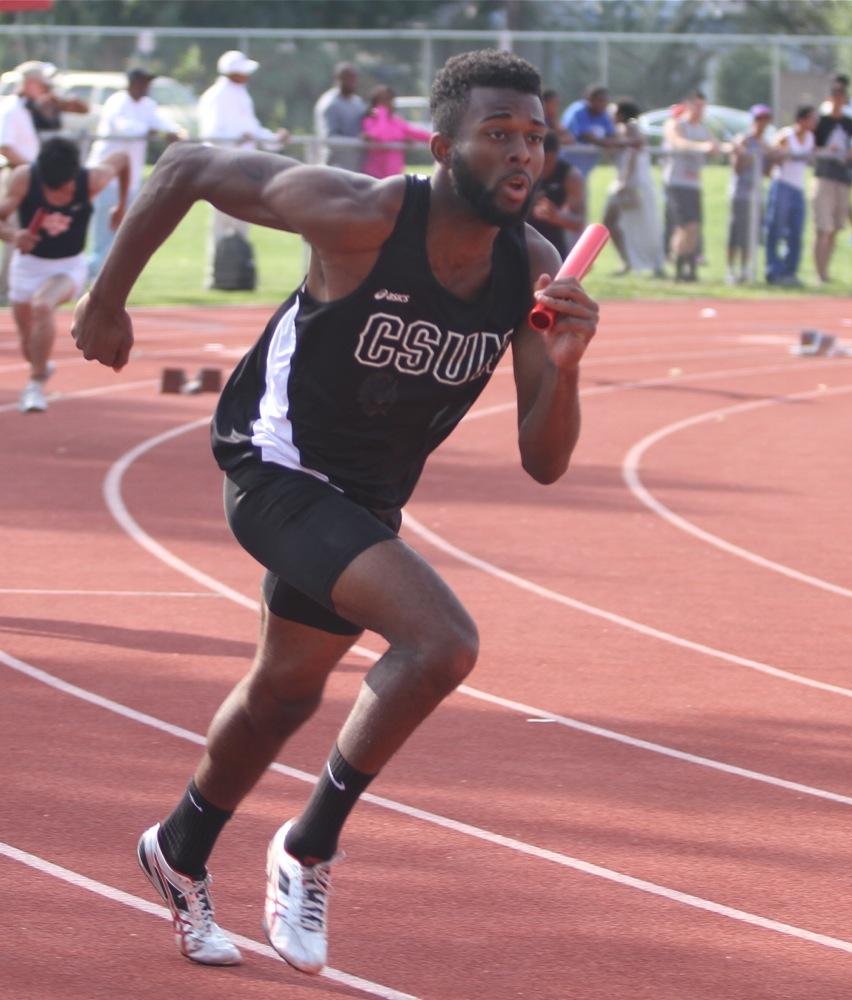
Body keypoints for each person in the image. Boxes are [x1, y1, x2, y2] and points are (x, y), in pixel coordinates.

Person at [70, 48, 598, 976]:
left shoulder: (532, 266)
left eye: (534, 136)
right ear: (442, 148)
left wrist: (565, 370)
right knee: (441, 643)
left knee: (283, 693)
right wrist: (106, 298)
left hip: (366, 498)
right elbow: (186, 165)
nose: (523, 153)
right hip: (273, 464)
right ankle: (310, 845)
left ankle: (177, 851)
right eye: (498, 134)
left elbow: (544, 462)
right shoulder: (361, 215)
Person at [0, 136, 128, 412]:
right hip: (27, 265)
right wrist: (14, 235)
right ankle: (40, 367)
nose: (63, 193)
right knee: (28, 344)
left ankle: (34, 386)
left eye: (67, 185)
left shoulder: (92, 179)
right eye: (54, 188)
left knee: (42, 306)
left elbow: (123, 159)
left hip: (67, 266)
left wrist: (121, 205)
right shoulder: (24, 178)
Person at [197, 50, 288, 288]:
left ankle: (239, 274)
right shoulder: (216, 96)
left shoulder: (241, 94)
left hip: (244, 169)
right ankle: (216, 276)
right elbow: (211, 133)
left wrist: (274, 139)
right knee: (220, 222)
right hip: (222, 169)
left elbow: (252, 129)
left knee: (243, 220)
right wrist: (237, 138)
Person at [86, 67, 186, 278]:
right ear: (132, 84)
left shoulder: (147, 105)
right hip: (107, 178)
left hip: (130, 179)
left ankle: (109, 275)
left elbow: (163, 123)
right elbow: (126, 128)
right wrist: (152, 130)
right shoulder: (117, 102)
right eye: (142, 83)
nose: (145, 87)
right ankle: (95, 274)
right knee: (104, 230)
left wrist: (174, 132)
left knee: (123, 230)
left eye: (147, 83)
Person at [0, 61, 51, 302]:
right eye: (42, 85)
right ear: (30, 83)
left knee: (22, 232)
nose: (45, 90)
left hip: (23, 177)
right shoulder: (11, 108)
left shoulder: (24, 109)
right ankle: (7, 291)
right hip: (15, 177)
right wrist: (34, 171)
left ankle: (13, 288)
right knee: (13, 233)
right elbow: (5, 146)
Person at [811, 82, 852, 285]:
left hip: (842, 179)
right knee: (822, 227)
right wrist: (827, 150)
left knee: (835, 227)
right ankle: (819, 274)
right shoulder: (822, 122)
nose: (838, 98)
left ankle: (825, 272)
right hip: (824, 177)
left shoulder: (849, 122)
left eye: (842, 95)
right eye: (835, 94)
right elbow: (811, 146)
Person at [661, 91, 720, 282]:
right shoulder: (676, 124)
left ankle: (690, 267)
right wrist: (701, 147)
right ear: (688, 105)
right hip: (677, 182)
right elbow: (677, 141)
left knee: (694, 226)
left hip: (693, 183)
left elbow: (715, 146)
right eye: (697, 106)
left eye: (703, 107)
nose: (700, 110)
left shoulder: (702, 129)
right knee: (683, 226)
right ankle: (679, 267)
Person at [602, 100, 664, 277]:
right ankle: (629, 261)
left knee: (638, 223)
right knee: (614, 222)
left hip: (631, 183)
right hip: (627, 181)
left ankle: (644, 262)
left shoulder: (630, 127)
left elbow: (634, 150)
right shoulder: (623, 130)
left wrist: (625, 180)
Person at [764, 104, 817, 287]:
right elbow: (771, 153)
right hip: (782, 185)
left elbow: (813, 156)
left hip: (797, 187)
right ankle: (773, 270)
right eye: (811, 118)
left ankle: (789, 271)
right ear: (802, 120)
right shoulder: (786, 135)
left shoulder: (810, 137)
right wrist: (781, 153)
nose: (814, 122)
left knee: (795, 231)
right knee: (776, 229)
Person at [820, 74, 852, 243]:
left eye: (840, 89)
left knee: (844, 194)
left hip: (849, 160)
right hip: (828, 162)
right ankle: (841, 229)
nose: (838, 92)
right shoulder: (825, 107)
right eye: (834, 89)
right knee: (832, 197)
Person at [725, 103, 772, 285]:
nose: (762, 123)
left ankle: (745, 269)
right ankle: (730, 269)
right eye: (759, 119)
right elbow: (737, 168)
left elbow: (767, 172)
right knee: (736, 233)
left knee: (750, 234)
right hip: (740, 194)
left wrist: (770, 156)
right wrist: (750, 156)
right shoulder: (743, 140)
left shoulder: (764, 143)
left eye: (766, 119)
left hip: (756, 194)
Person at [527, 130, 585, 256]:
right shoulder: (519, 171)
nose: (545, 166)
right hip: (520, 239)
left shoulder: (570, 176)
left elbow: (579, 222)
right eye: (542, 160)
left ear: (557, 155)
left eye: (549, 161)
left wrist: (556, 216)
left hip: (552, 243)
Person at [360, 84, 431, 179]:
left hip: (394, 176)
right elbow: (381, 136)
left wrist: (436, 138)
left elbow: (416, 133)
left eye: (389, 99)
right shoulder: (369, 121)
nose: (387, 103)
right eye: (382, 100)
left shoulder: (397, 122)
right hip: (374, 176)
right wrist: (382, 113)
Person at [559, 84, 622, 180]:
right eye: (600, 100)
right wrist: (606, 142)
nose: (603, 104)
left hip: (586, 163)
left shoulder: (603, 114)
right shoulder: (578, 111)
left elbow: (612, 135)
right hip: (568, 160)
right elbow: (586, 136)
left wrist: (611, 141)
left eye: (605, 101)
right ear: (589, 99)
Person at [313, 62, 368, 171]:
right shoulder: (330, 103)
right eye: (349, 78)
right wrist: (357, 140)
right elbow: (329, 138)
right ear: (339, 79)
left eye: (354, 78)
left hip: (356, 167)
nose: (353, 82)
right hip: (335, 168)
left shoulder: (358, 102)